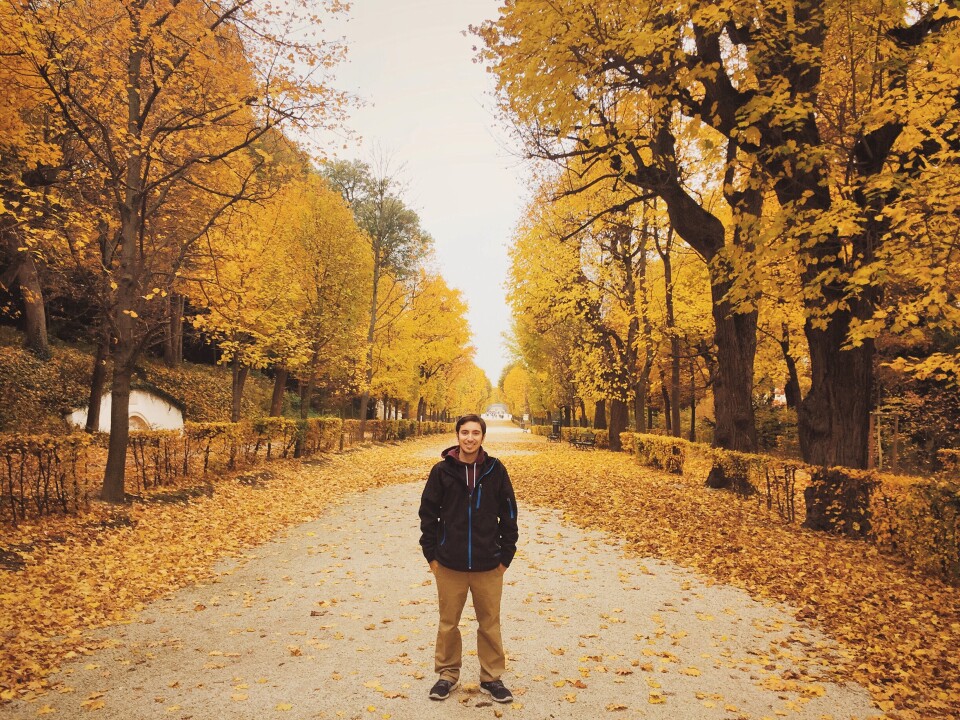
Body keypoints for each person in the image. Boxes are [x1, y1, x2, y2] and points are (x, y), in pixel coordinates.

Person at [418, 414, 519, 703]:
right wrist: (432, 554)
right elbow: (428, 513)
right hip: (450, 563)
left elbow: (509, 513)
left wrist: (505, 556)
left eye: (476, 432)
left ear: (483, 437)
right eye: (465, 432)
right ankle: (447, 674)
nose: (470, 438)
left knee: (490, 623)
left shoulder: (496, 470)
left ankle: (491, 677)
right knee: (448, 622)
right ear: (457, 435)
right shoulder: (441, 471)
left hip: (489, 563)